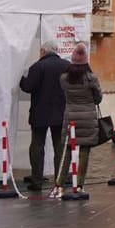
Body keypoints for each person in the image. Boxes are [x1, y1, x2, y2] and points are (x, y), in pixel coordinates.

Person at [18, 41, 68, 192]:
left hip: (40, 113)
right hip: (61, 113)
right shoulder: (66, 65)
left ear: (42, 51)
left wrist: (19, 77)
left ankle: (37, 180)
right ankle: (60, 180)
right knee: (59, 147)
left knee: (37, 146)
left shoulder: (38, 67)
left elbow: (28, 87)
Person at [59, 46, 103, 187]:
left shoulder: (64, 79)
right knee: (84, 151)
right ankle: (79, 184)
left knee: (67, 152)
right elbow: (98, 98)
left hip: (70, 117)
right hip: (88, 118)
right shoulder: (91, 79)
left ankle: (59, 182)